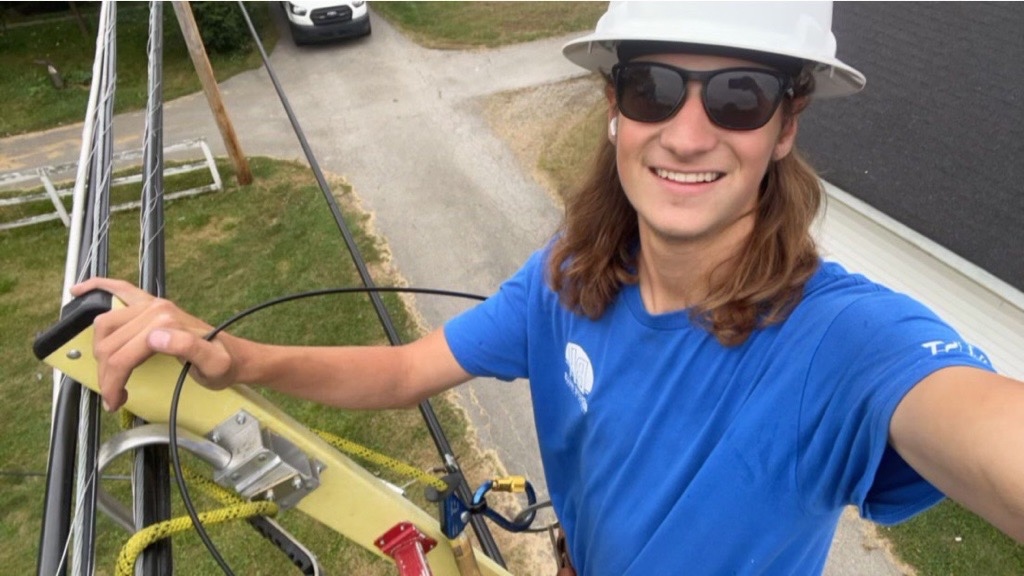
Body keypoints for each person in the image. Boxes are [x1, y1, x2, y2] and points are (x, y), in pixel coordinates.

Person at [73, 2, 1024, 574]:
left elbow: (982, 430)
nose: (688, 134)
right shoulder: (570, 279)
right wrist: (231, 357)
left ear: (786, 123)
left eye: (737, 95)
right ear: (613, 105)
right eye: (654, 87)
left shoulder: (843, 342)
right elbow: (408, 372)